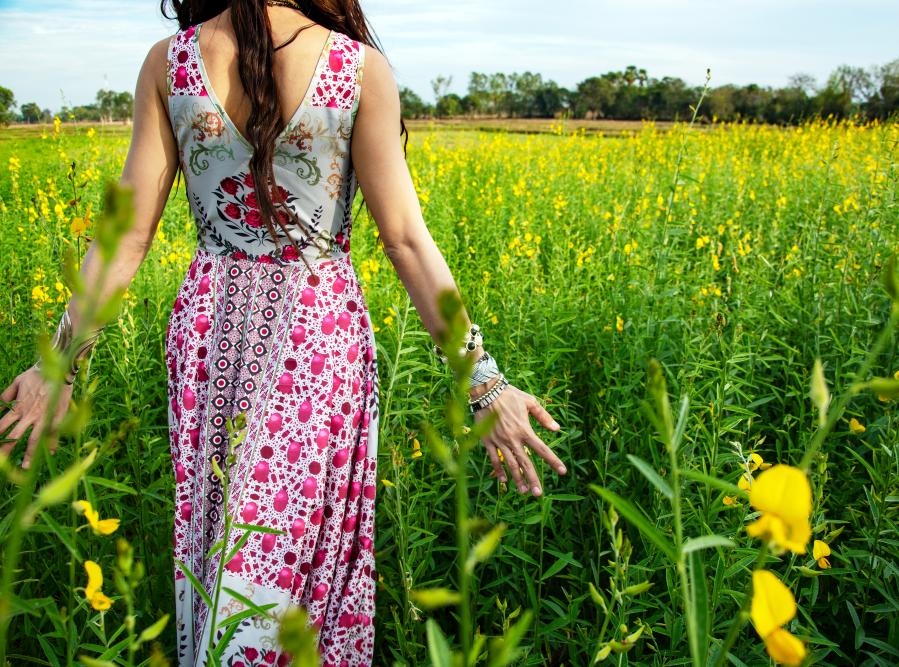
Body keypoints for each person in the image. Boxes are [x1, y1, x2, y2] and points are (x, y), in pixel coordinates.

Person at [0, 1, 566, 665]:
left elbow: (128, 234)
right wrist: (482, 378)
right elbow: (406, 240)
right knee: (295, 559)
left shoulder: (170, 63)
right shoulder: (358, 69)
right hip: (317, 340)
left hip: (209, 335)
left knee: (220, 554)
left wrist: (58, 364)